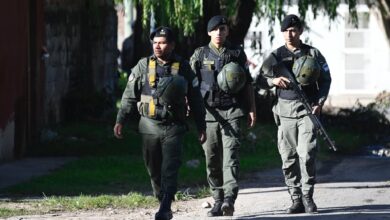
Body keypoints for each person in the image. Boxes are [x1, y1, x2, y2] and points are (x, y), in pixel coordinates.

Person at [113, 26, 207, 220]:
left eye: (162, 43)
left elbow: (196, 98)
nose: (158, 46)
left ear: (172, 45)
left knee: (170, 167)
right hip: (149, 125)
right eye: (155, 43)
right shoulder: (143, 65)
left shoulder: (183, 67)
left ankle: (165, 206)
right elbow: (129, 95)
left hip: (174, 126)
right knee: (153, 168)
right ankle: (161, 196)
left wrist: (201, 126)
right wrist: (120, 120)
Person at [257, 14, 332, 214]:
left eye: (293, 30)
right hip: (284, 111)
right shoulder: (275, 56)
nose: (289, 34)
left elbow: (326, 79)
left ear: (300, 31)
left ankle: (308, 196)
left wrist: (320, 102)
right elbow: (259, 80)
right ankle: (296, 198)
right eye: (286, 31)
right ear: (282, 33)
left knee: (307, 154)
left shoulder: (313, 53)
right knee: (288, 158)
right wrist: (273, 81)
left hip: (308, 110)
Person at [190, 15, 256, 217]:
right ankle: (217, 200)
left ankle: (229, 199)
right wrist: (187, 105)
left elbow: (247, 84)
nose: (219, 32)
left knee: (231, 157)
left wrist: (252, 109)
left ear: (227, 31)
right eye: (215, 29)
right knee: (211, 159)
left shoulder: (237, 53)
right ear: (209, 32)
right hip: (208, 113)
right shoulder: (199, 55)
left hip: (232, 111)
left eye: (223, 29)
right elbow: (190, 84)